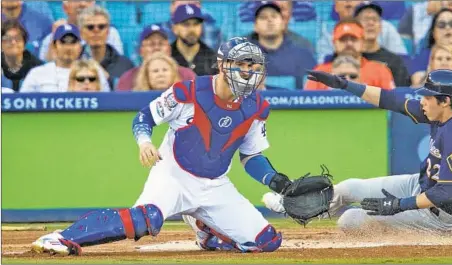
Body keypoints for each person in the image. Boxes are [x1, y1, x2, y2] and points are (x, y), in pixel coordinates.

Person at [30, 37, 290, 255]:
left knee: (266, 242)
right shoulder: (187, 92)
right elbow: (144, 116)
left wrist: (276, 180)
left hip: (215, 184)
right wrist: (144, 142)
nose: (247, 71)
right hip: (173, 175)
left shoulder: (257, 108)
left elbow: (251, 156)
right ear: (222, 65)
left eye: (252, 65)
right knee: (147, 219)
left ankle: (207, 231)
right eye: (240, 64)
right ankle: (60, 238)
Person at [265, 69, 452, 235]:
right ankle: (290, 207)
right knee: (349, 187)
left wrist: (398, 205)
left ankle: (433, 237)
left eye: (427, 97)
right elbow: (389, 99)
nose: (422, 101)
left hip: (440, 215)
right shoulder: (443, 113)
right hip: (421, 185)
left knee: (350, 221)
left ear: (445, 101)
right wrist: (343, 84)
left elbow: (444, 194)